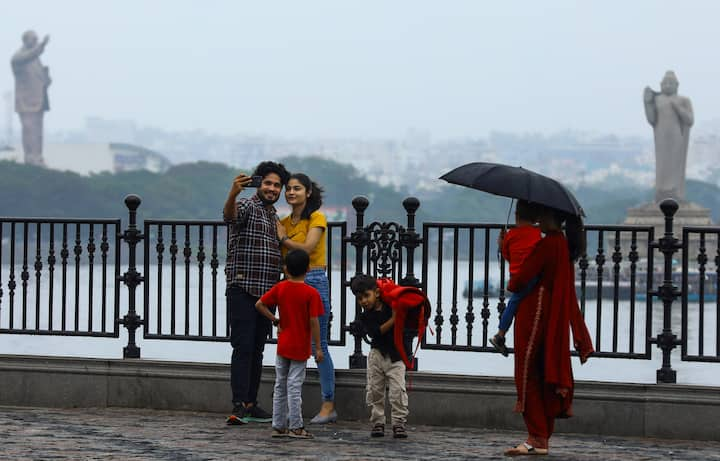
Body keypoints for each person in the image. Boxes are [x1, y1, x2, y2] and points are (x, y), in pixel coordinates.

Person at [503, 205, 593, 456]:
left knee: (527, 373)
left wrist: (506, 250)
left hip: (534, 313)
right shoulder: (562, 245)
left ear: (552, 217)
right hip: (551, 316)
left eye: (542, 216)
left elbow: (519, 280)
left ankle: (536, 437)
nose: (538, 220)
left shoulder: (547, 245)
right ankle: (541, 437)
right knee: (545, 374)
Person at [223, 161, 290, 425]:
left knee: (258, 349)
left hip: (267, 294)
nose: (272, 189)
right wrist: (232, 193)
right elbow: (230, 217)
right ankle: (238, 404)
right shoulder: (248, 206)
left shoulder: (274, 216)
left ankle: (251, 403)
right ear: (258, 183)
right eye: (268, 183)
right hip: (242, 287)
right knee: (243, 347)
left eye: (277, 185)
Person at [277, 173, 337, 424]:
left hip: (314, 279)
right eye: (288, 189)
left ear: (308, 192)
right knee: (291, 341)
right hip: (290, 283)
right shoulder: (283, 221)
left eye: (297, 189)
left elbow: (308, 249)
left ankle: (328, 404)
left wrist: (283, 238)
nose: (291, 193)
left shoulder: (317, 217)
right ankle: (290, 405)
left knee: (318, 345)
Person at [255, 249, 324, 439]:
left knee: (280, 385)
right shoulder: (311, 293)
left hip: (283, 344)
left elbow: (259, 304)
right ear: (308, 269)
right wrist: (317, 347)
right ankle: (296, 426)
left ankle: (278, 425)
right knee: (294, 386)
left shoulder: (280, 287)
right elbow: (314, 322)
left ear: (286, 269)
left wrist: (275, 320)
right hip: (300, 346)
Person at [350, 274, 409, 439]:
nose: (364, 301)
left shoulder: (391, 306)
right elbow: (375, 332)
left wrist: (396, 315)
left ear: (377, 293)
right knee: (375, 391)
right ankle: (378, 422)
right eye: (360, 298)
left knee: (397, 391)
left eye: (366, 296)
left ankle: (398, 423)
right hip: (376, 356)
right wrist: (394, 319)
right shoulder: (365, 317)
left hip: (396, 356)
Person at [490, 200, 542, 357]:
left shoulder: (511, 235)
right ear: (535, 218)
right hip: (532, 276)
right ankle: (499, 336)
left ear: (516, 216)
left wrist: (501, 243)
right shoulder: (536, 233)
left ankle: (500, 334)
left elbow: (508, 256)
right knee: (517, 301)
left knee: (513, 303)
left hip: (516, 277)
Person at [644, 70, 694, 203]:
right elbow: (652, 119)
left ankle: (676, 192)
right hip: (661, 138)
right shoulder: (658, 99)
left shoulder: (683, 100)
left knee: (675, 167)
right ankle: (661, 192)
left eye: (670, 83)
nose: (667, 86)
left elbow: (690, 120)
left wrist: (678, 108)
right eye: (665, 83)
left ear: (677, 85)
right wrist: (647, 102)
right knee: (662, 167)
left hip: (677, 138)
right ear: (661, 85)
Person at [11, 30, 51, 167]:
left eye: (37, 40)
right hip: (26, 102)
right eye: (34, 39)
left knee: (38, 133)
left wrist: (46, 79)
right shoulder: (18, 58)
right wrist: (42, 46)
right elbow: (28, 56)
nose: (35, 42)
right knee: (29, 130)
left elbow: (40, 80)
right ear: (25, 40)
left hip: (39, 101)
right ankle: (30, 158)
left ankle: (38, 157)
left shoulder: (36, 60)